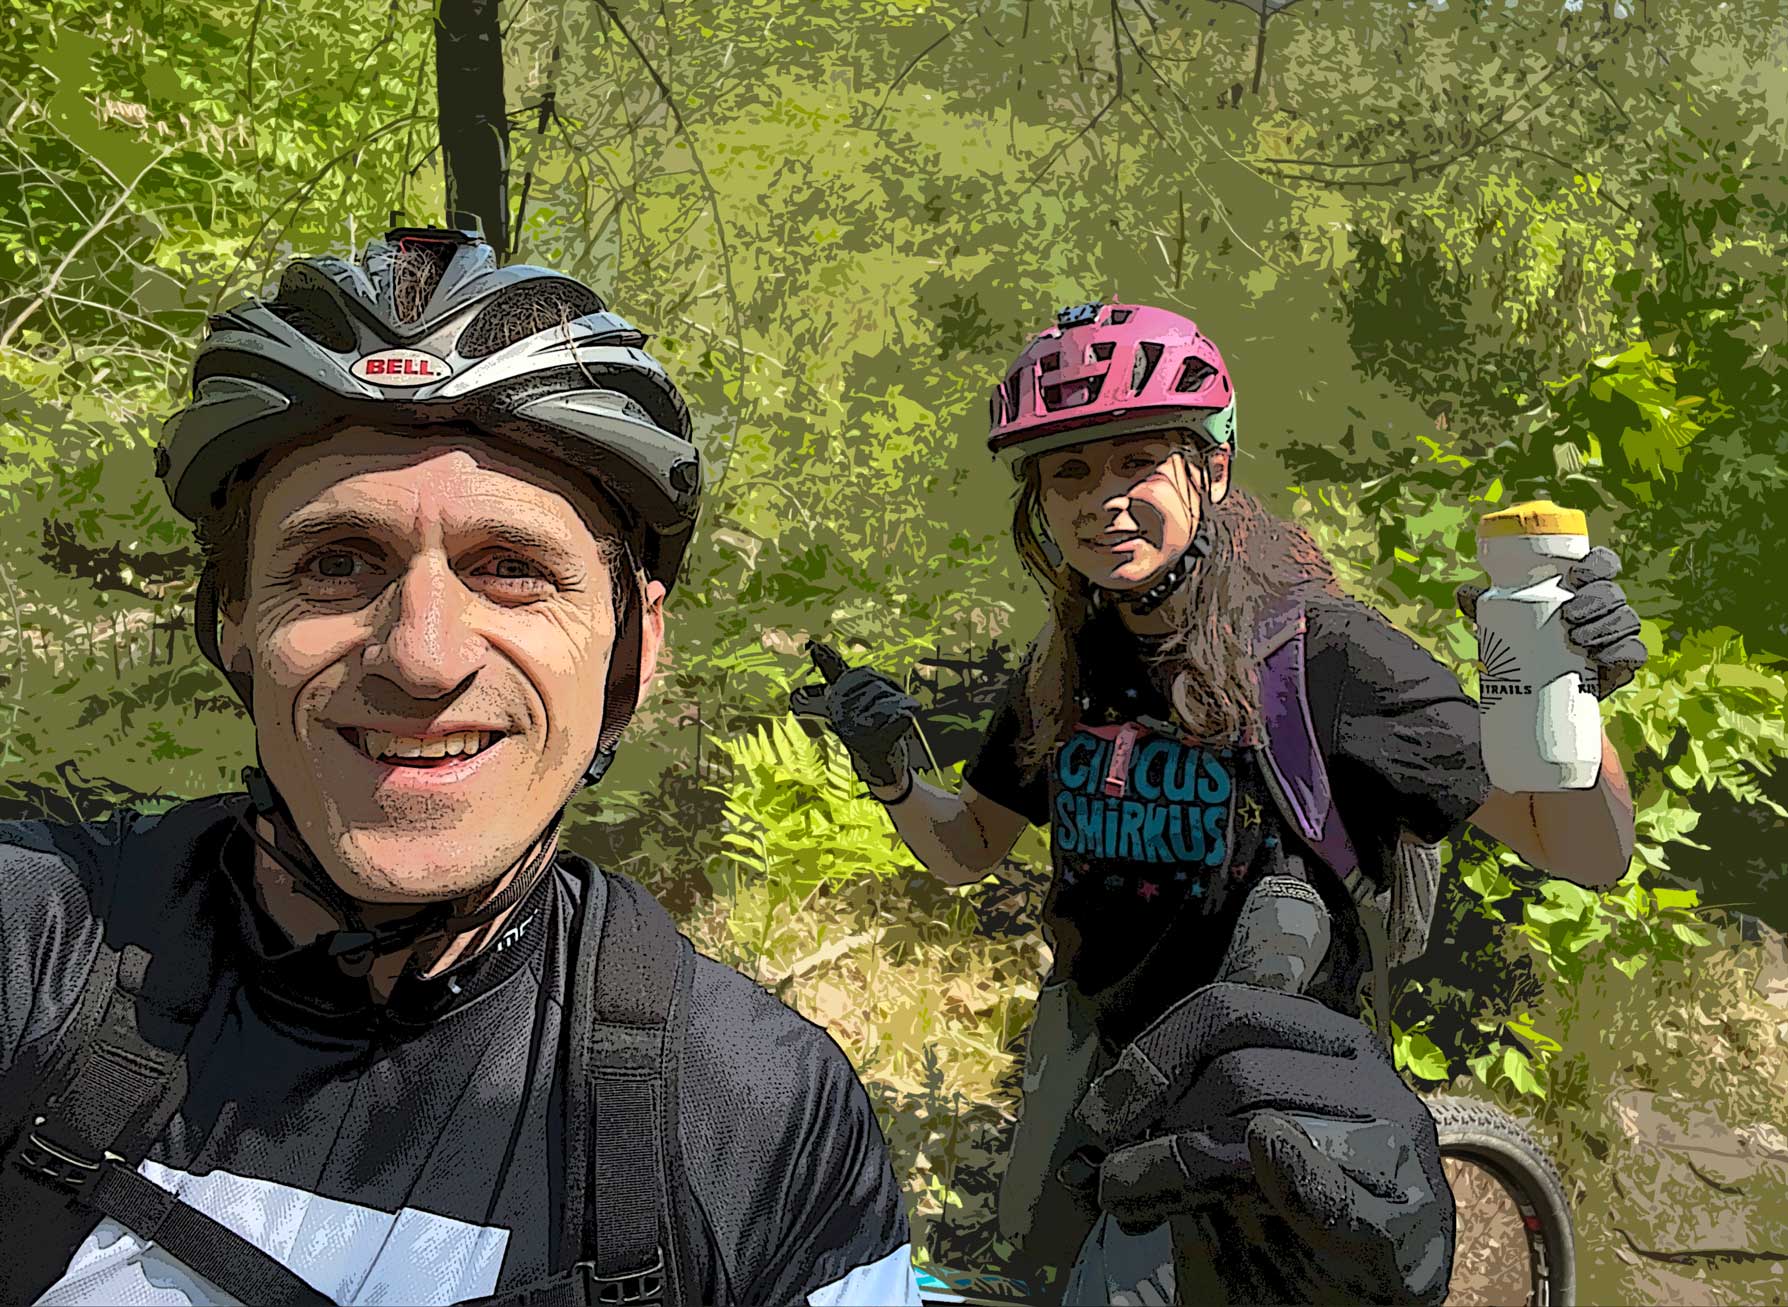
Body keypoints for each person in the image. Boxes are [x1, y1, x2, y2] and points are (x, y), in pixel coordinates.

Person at [0, 224, 921, 1307]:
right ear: (237, 618)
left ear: (637, 645)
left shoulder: (752, 1116)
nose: (422, 656)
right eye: (337, 562)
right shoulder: (35, 954)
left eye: (514, 567)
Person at [795, 302, 1646, 1304]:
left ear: (1212, 469)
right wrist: (893, 770)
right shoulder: (1067, 662)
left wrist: (1572, 693)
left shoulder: (1322, 652)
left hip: (1268, 1108)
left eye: (1137, 461)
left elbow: (1584, 845)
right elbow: (968, 847)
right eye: (1069, 470)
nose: (1103, 497)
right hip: (1088, 1084)